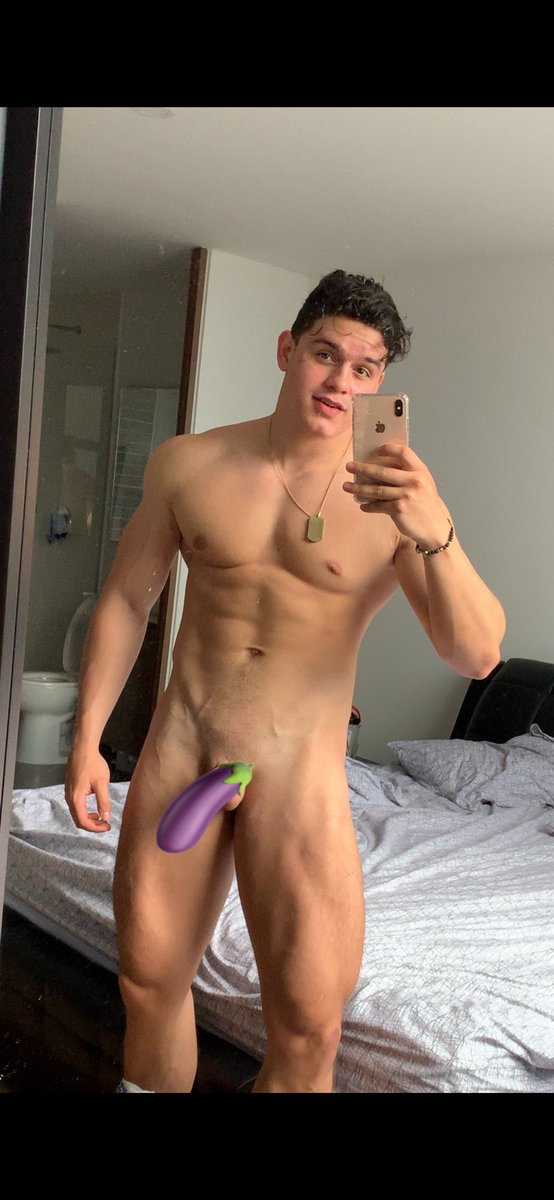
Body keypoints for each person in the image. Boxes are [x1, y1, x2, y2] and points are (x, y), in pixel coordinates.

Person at [64, 269, 506, 1094]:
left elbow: (476, 656)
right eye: (324, 353)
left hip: (298, 773)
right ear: (286, 351)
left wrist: (434, 530)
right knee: (148, 984)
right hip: (185, 748)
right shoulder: (189, 463)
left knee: (309, 1029)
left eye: (365, 369)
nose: (340, 381)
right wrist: (86, 737)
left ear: (381, 385)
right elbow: (127, 600)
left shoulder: (398, 505)